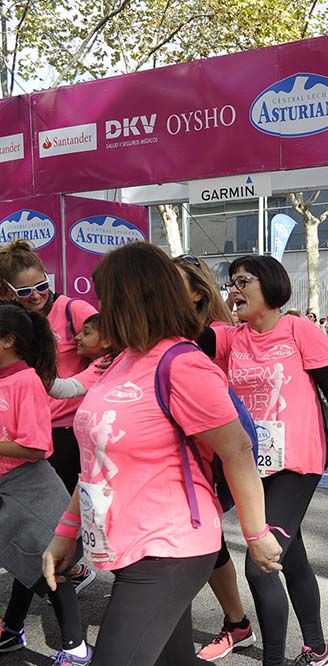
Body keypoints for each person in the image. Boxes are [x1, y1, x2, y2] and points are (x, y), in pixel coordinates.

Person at [40, 243, 283, 665]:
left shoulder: (183, 364)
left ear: (134, 299)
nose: (101, 309)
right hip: (129, 545)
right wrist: (65, 532)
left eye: (107, 298)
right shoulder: (121, 361)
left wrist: (256, 535)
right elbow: (96, 460)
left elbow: (238, 450)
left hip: (171, 548)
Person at [202, 255, 328, 666]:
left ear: (271, 286)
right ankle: (318, 650)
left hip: (298, 462)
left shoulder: (301, 330)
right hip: (251, 466)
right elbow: (180, 339)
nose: (235, 289)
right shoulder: (229, 337)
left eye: (244, 281)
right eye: (231, 282)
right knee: (290, 554)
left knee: (261, 565)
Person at [172, 254, 258, 662]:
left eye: (171, 284)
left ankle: (236, 623)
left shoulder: (214, 335)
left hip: (216, 451)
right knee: (206, 539)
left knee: (202, 538)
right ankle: (237, 623)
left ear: (197, 294)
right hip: (182, 450)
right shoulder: (172, 334)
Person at [0, 240, 97, 593]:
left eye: (43, 285)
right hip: (30, 434)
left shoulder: (74, 309)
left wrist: (70, 387)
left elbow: (110, 349)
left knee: (60, 521)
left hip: (67, 430)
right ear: (9, 291)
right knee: (41, 528)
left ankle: (69, 571)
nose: (38, 295)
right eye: (26, 291)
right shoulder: (12, 321)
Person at [0, 304, 92, 664]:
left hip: (30, 486)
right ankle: (12, 629)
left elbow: (36, 446)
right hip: (11, 487)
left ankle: (76, 648)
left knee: (50, 568)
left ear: (8, 342)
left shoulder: (26, 381)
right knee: (26, 561)